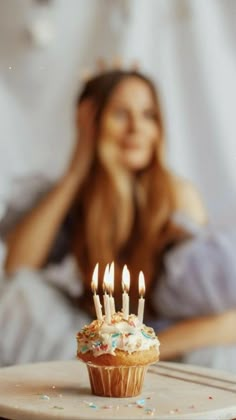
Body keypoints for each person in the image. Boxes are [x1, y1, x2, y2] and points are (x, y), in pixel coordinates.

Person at [1, 68, 235, 368]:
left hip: (168, 348)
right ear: (93, 126)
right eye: (121, 114)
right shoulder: (81, 198)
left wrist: (131, 353)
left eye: (148, 114)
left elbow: (228, 320)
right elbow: (18, 269)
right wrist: (77, 169)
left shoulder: (176, 196)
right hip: (99, 344)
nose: (136, 128)